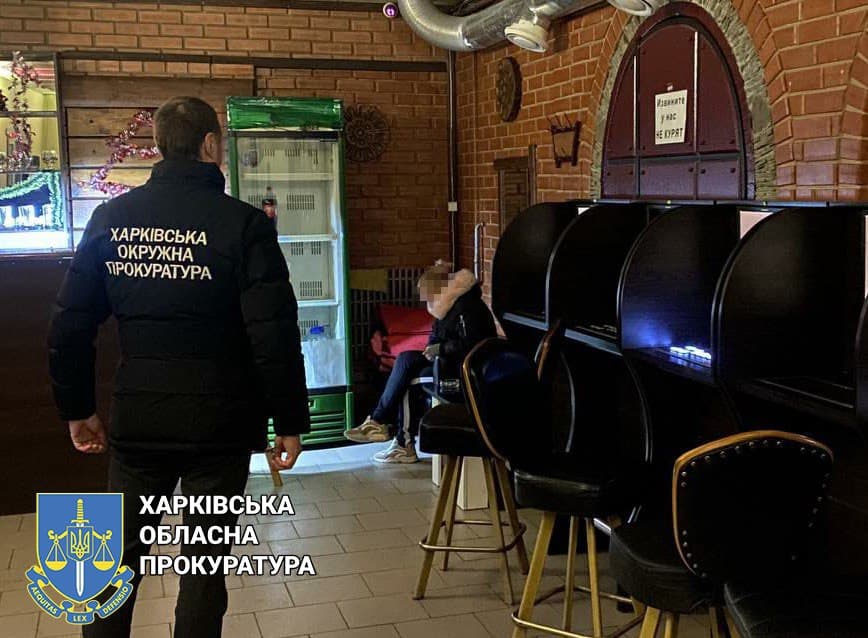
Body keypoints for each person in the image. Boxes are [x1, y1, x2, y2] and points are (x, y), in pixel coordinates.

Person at [47, 96, 309, 638]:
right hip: (220, 424)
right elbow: (273, 333)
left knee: (112, 565)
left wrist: (77, 408)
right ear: (211, 145)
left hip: (139, 419)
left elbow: (70, 325)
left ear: (160, 146)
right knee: (204, 569)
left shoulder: (111, 219)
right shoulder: (244, 226)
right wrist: (288, 418)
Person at [345, 262, 496, 463]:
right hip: (446, 361)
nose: (425, 300)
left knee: (407, 378)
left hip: (461, 370)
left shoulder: (467, 308)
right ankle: (378, 422)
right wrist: (432, 348)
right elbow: (436, 335)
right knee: (405, 359)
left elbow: (473, 344)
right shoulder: (447, 305)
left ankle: (399, 440)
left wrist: (440, 349)